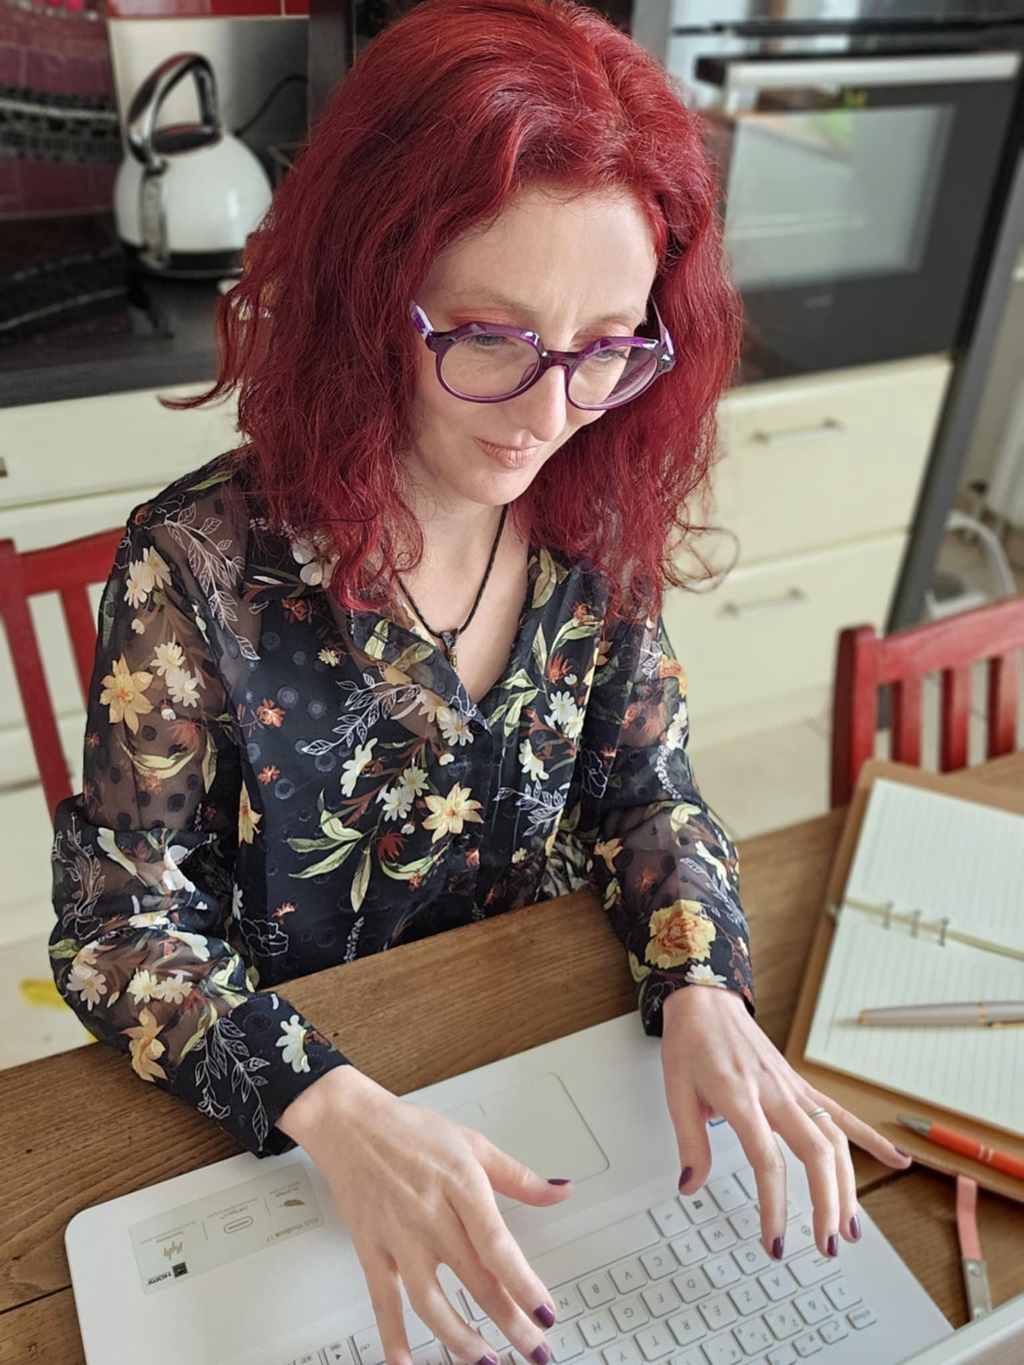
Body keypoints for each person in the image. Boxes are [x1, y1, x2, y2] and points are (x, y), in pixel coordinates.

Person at [50, 1, 911, 1360]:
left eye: (607, 345)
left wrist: (702, 980)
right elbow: (120, 925)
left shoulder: (592, 509)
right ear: (368, 295)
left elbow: (646, 788)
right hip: (299, 1103)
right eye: (491, 338)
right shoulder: (198, 568)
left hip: (546, 1052)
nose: (549, 414)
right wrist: (330, 1106)